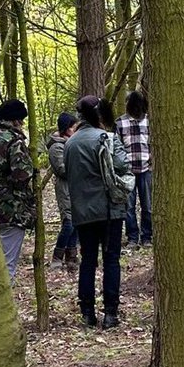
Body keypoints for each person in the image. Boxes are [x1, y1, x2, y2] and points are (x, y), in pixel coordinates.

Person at [66, 95, 129, 328]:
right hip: (109, 210)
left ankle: (87, 312)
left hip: (83, 213)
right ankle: (110, 312)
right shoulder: (108, 139)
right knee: (111, 259)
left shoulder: (70, 144)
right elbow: (123, 166)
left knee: (88, 261)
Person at [0, 98, 36, 281]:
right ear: (15, 120)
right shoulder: (14, 141)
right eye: (21, 120)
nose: (22, 124)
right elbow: (21, 176)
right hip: (11, 209)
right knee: (7, 266)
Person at [115, 90, 152, 248]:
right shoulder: (120, 123)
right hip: (127, 171)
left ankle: (147, 237)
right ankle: (132, 237)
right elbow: (117, 147)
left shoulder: (149, 121)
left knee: (148, 205)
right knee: (128, 206)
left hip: (146, 169)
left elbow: (154, 144)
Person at [47, 111, 80, 272]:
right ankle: (57, 256)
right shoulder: (56, 147)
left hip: (76, 188)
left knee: (76, 223)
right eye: (73, 127)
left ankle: (72, 256)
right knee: (68, 223)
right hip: (65, 189)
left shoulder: (71, 143)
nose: (75, 130)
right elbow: (62, 169)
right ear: (67, 128)